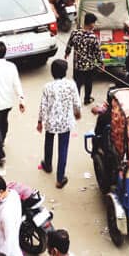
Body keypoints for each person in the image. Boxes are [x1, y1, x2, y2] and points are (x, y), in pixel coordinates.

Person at [38, 59, 81, 188]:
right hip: (65, 123)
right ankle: (60, 178)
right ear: (65, 72)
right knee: (63, 149)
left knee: (48, 142)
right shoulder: (71, 85)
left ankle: (48, 165)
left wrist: (40, 121)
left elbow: (43, 106)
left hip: (50, 122)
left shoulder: (47, 87)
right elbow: (77, 103)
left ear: (52, 72)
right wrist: (77, 112)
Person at [65, 12, 102, 105]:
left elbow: (69, 44)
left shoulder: (75, 33)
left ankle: (76, 102)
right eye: (94, 23)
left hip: (77, 65)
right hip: (89, 66)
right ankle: (87, 99)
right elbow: (98, 52)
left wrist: (67, 53)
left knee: (77, 83)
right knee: (88, 83)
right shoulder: (93, 37)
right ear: (91, 24)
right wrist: (101, 63)